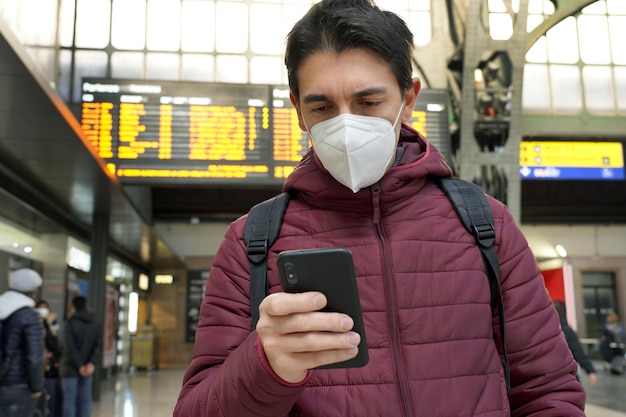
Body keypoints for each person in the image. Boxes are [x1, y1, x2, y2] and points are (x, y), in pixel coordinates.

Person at [174, 1, 586, 416]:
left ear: (408, 99)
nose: (346, 125)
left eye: (368, 102)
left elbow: (547, 390)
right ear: (298, 111)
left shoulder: (485, 225)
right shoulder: (252, 242)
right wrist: (265, 366)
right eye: (322, 108)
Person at [0, 268, 45, 417]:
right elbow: (34, 357)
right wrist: (36, 387)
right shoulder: (29, 316)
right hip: (18, 384)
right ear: (32, 291)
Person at [60, 296, 102, 417]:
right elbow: (98, 346)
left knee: (69, 400)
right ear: (85, 305)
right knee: (86, 399)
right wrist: (91, 364)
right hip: (88, 368)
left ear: (73, 307)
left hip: (70, 367)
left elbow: (70, 347)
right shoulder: (95, 323)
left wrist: (80, 366)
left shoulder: (70, 323)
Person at [553, 300, 598, 386]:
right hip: (567, 376)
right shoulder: (567, 331)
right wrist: (590, 370)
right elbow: (578, 352)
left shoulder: (545, 331)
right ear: (564, 313)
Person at [36, 300, 63, 417]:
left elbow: (56, 347)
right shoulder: (29, 324)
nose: (43, 311)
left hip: (48, 370)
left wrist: (52, 326)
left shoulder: (51, 326)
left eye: (46, 308)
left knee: (50, 398)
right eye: (41, 308)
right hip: (34, 369)